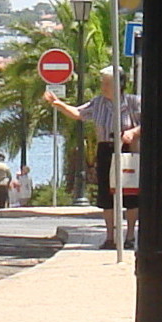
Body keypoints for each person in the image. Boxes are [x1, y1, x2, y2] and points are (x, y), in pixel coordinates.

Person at [47, 72, 140, 247]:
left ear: (118, 85)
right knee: (106, 194)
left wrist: (132, 132)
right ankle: (110, 237)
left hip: (128, 150)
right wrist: (58, 104)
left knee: (130, 194)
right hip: (105, 149)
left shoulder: (134, 102)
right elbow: (79, 113)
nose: (102, 86)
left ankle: (130, 236)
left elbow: (148, 121)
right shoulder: (98, 103)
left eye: (106, 83)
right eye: (102, 83)